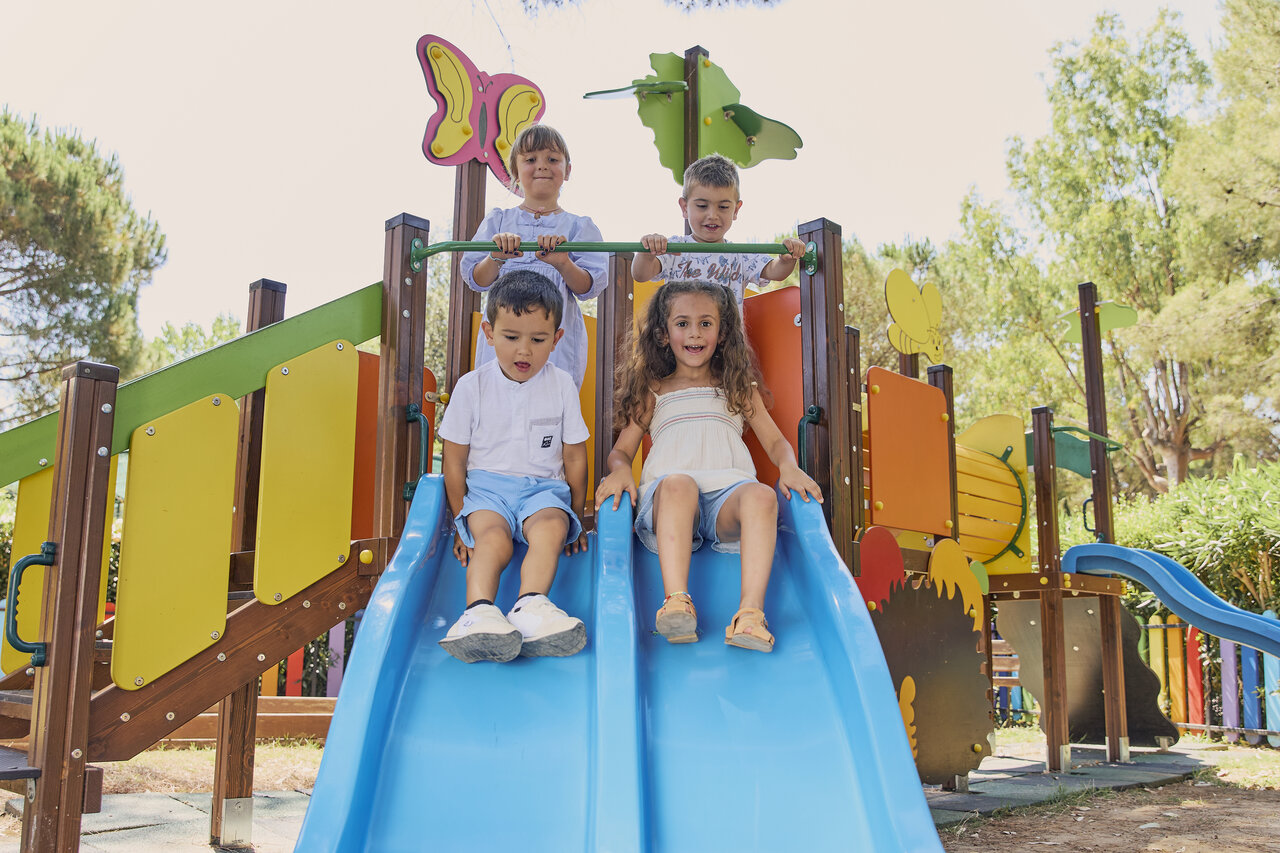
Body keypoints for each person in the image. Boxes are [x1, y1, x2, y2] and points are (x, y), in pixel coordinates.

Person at [595, 280, 822, 653]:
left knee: (763, 497)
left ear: (723, 331)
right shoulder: (655, 390)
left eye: (705, 323)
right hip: (669, 500)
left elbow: (775, 441)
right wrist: (619, 469)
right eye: (682, 323)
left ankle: (750, 613)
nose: (694, 333)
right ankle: (676, 601)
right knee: (680, 484)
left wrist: (789, 467)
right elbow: (622, 451)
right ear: (663, 334)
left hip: (724, 501)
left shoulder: (738, 388)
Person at [437, 270, 590, 664]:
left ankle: (531, 606)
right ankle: (478, 614)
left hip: (543, 489)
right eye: (511, 338)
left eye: (538, 340)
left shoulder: (562, 385)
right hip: (488, 490)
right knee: (491, 540)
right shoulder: (472, 386)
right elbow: (454, 460)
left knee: (551, 528)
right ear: (489, 333)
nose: (524, 351)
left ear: (557, 339)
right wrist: (460, 521)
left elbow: (574, 455)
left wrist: (575, 514)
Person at [460, 124, 607, 388]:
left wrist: (563, 263)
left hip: (552, 342)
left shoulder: (577, 227)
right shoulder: (499, 221)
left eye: (552, 159)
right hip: (505, 334)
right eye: (530, 160)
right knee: (498, 399)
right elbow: (476, 279)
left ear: (567, 170)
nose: (542, 166)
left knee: (550, 400)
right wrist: (496, 257)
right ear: (515, 171)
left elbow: (589, 286)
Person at [631, 154, 807, 310]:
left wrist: (786, 259)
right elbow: (641, 274)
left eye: (723, 207)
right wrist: (647, 254)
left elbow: (774, 271)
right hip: (684, 343)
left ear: (736, 210)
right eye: (702, 206)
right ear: (684, 208)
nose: (712, 215)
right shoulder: (676, 249)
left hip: (726, 344)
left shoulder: (739, 255)